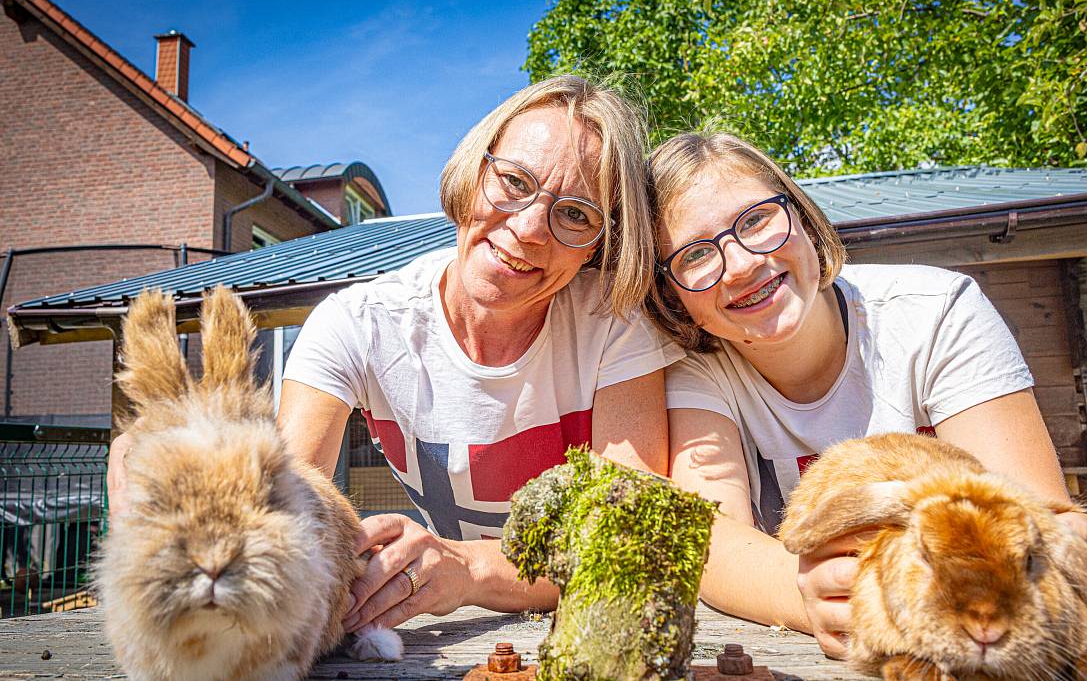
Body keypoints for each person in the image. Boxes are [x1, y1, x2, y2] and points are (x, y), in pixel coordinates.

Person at [107, 75, 683, 632]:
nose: (530, 227)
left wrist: (467, 568)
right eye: (514, 181)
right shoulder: (356, 323)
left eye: (576, 214)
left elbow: (623, 539)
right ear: (473, 172)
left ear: (602, 244)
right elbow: (295, 487)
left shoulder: (617, 327)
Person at [643, 130, 1087, 657]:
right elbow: (707, 538)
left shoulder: (937, 312)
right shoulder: (694, 370)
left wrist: (1065, 545)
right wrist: (808, 596)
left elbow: (1024, 512)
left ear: (800, 215)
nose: (740, 264)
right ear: (671, 294)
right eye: (693, 256)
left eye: (756, 220)